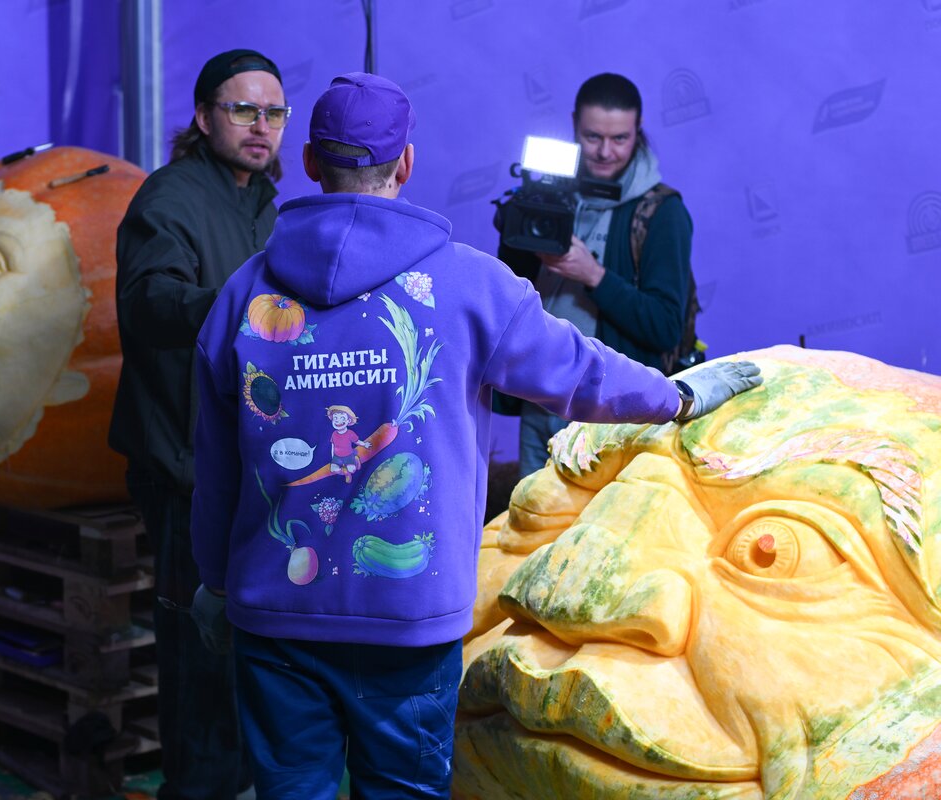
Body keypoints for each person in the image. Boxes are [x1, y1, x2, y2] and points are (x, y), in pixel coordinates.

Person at [188, 72, 761, 799]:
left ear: (307, 161)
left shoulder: (241, 296)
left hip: (275, 612)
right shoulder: (468, 285)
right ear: (406, 163)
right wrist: (675, 395)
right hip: (410, 618)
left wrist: (215, 579)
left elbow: (216, 465)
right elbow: (580, 372)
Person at [109, 48, 288, 800]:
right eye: (243, 110)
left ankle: (235, 784)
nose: (260, 126)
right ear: (204, 116)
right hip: (184, 465)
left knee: (242, 646)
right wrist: (245, 309)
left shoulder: (264, 203)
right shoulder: (170, 197)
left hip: (246, 464)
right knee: (198, 651)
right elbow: (149, 303)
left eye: (274, 113)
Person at [499, 72, 694, 477]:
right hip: (541, 399)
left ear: (638, 130)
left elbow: (664, 328)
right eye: (592, 137)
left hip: (614, 414)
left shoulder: (661, 213)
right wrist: (518, 227)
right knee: (531, 515)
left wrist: (595, 275)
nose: (606, 152)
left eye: (620, 138)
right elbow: (510, 299)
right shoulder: (548, 193)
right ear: (574, 125)